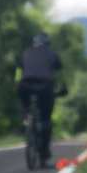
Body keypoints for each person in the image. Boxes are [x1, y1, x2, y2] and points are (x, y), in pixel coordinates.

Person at [16, 32, 63, 164]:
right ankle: (44, 153)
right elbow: (59, 72)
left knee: (24, 105)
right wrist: (62, 88)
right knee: (46, 119)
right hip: (45, 87)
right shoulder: (52, 54)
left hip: (24, 85)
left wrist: (18, 84)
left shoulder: (25, 53)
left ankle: (26, 119)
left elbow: (19, 72)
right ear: (48, 43)